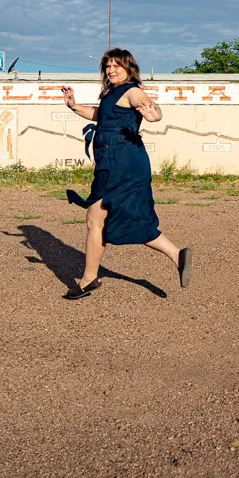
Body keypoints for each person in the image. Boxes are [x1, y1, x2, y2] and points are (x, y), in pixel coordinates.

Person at [61, 48, 192, 299]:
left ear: (129, 67)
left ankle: (89, 279)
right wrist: (74, 106)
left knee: (98, 218)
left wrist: (154, 114)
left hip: (123, 165)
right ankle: (177, 255)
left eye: (116, 66)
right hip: (112, 163)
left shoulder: (132, 90)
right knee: (109, 218)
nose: (111, 70)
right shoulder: (112, 93)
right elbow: (101, 115)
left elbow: (149, 108)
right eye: (107, 66)